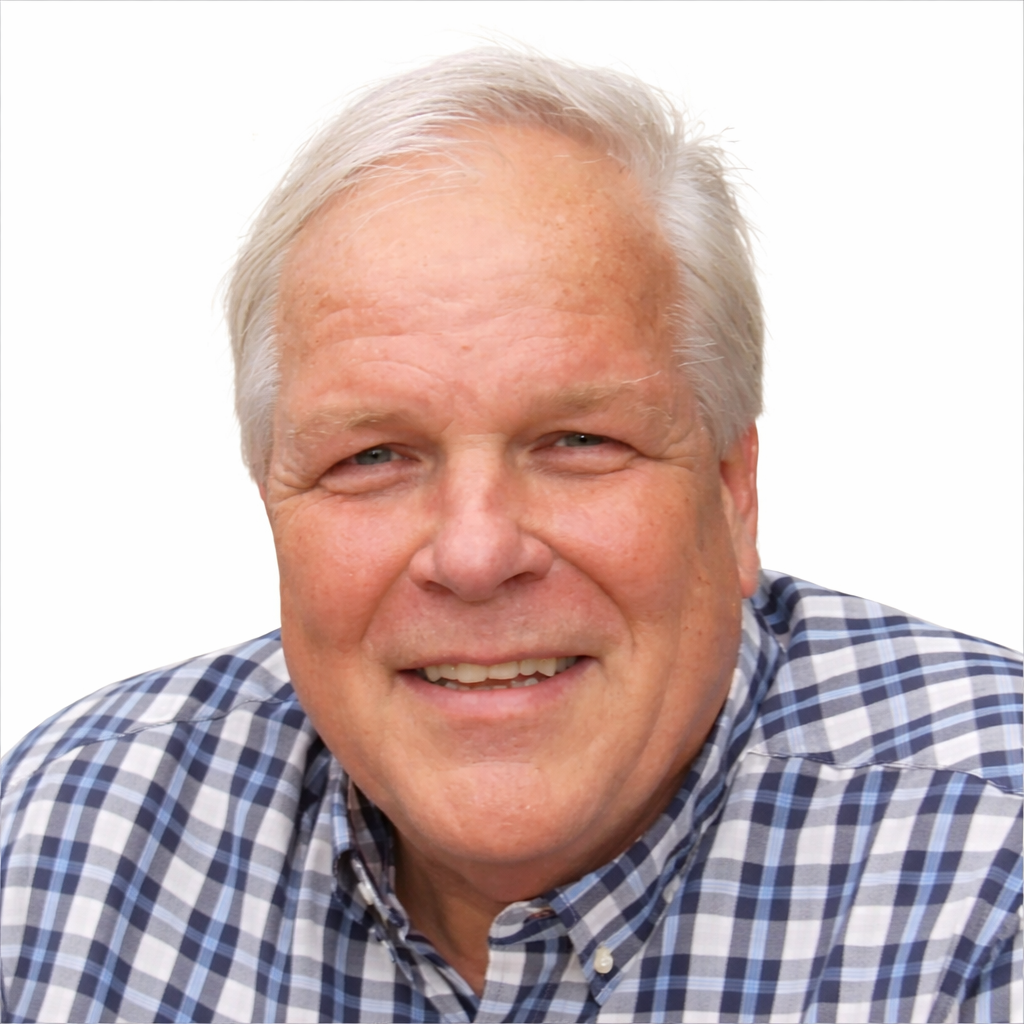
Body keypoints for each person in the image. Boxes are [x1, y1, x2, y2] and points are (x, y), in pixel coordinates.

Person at [1, 48, 1020, 1024]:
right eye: (373, 457)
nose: (476, 554)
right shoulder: (69, 836)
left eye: (578, 440)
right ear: (272, 497)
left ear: (731, 489)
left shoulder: (991, 868)